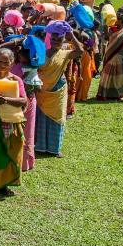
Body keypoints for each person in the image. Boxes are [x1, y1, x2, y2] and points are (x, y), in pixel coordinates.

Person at [0, 48, 27, 194]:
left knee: (11, 151)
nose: (3, 64)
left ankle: (5, 183)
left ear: (12, 63)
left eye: (6, 62)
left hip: (12, 121)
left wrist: (6, 99)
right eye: (0, 61)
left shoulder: (16, 80)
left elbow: (23, 100)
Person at [36, 29, 83, 157]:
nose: (56, 42)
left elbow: (80, 51)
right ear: (50, 40)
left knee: (57, 117)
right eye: (54, 39)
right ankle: (40, 147)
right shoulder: (42, 53)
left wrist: (72, 34)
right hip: (42, 90)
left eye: (59, 40)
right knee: (41, 117)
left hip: (57, 90)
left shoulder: (65, 53)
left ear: (63, 41)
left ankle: (54, 148)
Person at [96, 13, 123, 101]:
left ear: (121, 20)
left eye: (115, 19)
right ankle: (105, 94)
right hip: (110, 56)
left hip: (122, 57)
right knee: (107, 75)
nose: (113, 21)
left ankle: (119, 95)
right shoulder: (112, 29)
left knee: (120, 77)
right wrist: (105, 26)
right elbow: (107, 38)